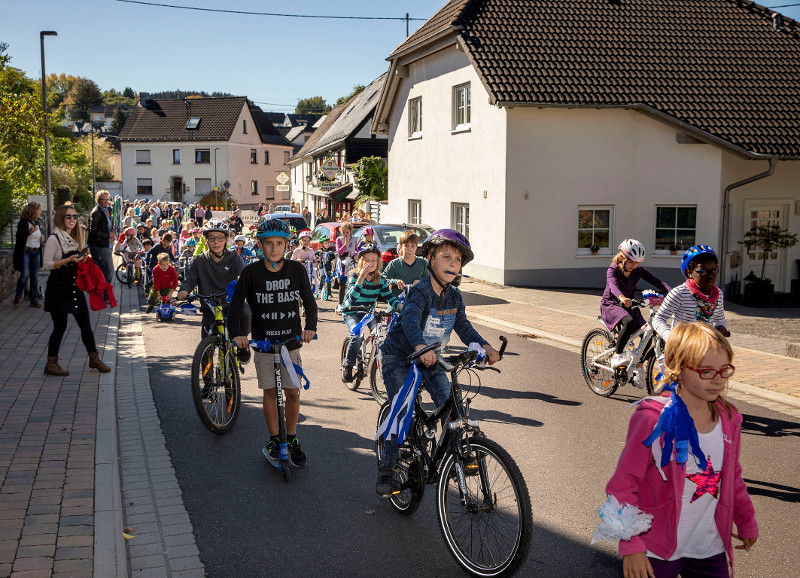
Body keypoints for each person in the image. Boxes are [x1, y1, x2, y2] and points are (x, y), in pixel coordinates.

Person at [594, 321, 758, 578]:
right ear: (678, 369)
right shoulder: (652, 419)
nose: (718, 380)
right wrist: (631, 545)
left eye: (724, 370)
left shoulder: (729, 418)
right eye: (706, 371)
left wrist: (746, 520)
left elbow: (732, 477)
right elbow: (623, 486)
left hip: (708, 546)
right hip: (656, 548)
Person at [375, 229, 499, 497]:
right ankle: (387, 468)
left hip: (430, 360)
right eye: (446, 257)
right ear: (430, 259)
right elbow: (409, 319)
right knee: (401, 409)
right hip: (400, 357)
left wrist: (484, 346)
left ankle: (454, 458)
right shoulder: (420, 291)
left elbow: (463, 326)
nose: (453, 264)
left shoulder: (454, 296)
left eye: (457, 260)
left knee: (450, 402)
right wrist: (420, 347)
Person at [228, 218, 317, 468]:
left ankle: (291, 437)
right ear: (260, 245)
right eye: (269, 243)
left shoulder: (296, 270)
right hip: (264, 343)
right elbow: (236, 305)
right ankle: (275, 440)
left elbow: (309, 301)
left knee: (292, 392)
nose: (274, 248)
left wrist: (310, 327)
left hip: (291, 343)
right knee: (269, 390)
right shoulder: (251, 272)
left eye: (279, 243)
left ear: (287, 245)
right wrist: (237, 334)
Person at [41, 205, 111, 376]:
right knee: (60, 327)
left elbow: (76, 262)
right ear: (60, 218)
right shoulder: (54, 239)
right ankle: (51, 363)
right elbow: (46, 265)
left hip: (74, 287)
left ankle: (94, 359)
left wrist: (82, 259)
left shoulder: (73, 238)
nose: (72, 219)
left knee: (85, 324)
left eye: (74, 216)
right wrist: (67, 260)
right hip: (58, 288)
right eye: (68, 217)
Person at [600, 239, 671, 388]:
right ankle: (617, 355)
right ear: (622, 258)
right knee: (629, 322)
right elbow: (612, 286)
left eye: (637, 263)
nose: (634, 265)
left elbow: (657, 282)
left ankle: (638, 365)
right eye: (631, 262)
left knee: (648, 333)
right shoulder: (613, 270)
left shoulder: (637, 271)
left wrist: (672, 293)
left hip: (630, 305)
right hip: (611, 304)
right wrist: (622, 297)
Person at [177, 220, 250, 339]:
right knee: (205, 350)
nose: (216, 242)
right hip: (209, 308)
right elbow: (190, 280)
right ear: (205, 241)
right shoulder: (199, 261)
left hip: (230, 305)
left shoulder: (234, 258)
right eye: (211, 238)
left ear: (226, 240)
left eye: (220, 238)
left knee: (246, 310)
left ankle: (242, 342)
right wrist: (184, 290)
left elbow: (245, 275)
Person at [341, 244, 402, 383]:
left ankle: (380, 364)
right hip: (351, 311)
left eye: (374, 260)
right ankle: (348, 364)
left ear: (378, 262)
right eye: (367, 260)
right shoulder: (354, 275)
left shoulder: (380, 279)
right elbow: (352, 299)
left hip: (368, 313)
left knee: (380, 336)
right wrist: (361, 278)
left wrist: (400, 306)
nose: (370, 263)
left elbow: (389, 297)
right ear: (361, 262)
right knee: (357, 336)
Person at [653, 245, 729, 344]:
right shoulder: (679, 293)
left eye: (713, 271)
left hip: (705, 347)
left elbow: (720, 319)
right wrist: (671, 338)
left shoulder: (718, 294)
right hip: (681, 348)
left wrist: (721, 327)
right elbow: (659, 319)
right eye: (703, 272)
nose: (710, 276)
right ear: (689, 273)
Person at [381, 230, 428, 309]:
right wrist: (395, 281)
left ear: (416, 247)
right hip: (396, 306)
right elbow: (383, 280)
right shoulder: (394, 264)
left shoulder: (423, 264)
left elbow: (430, 281)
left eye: (412, 246)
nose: (409, 249)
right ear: (400, 246)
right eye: (406, 246)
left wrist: (421, 282)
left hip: (416, 305)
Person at [13, 202, 45, 308]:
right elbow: (20, 237)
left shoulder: (37, 222)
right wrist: (29, 232)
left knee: (35, 276)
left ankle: (33, 299)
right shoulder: (23, 222)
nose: (40, 211)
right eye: (39, 209)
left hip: (36, 252)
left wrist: (42, 237)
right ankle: (18, 296)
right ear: (33, 211)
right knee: (25, 274)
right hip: (25, 251)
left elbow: (38, 235)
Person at [87, 190, 115, 286]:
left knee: (103, 271)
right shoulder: (96, 212)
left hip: (107, 244)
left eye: (108, 199)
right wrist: (108, 235)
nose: (107, 202)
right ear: (98, 200)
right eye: (104, 200)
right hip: (100, 246)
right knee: (110, 270)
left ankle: (102, 293)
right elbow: (93, 231)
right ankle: (105, 294)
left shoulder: (108, 210)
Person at [335, 222, 358, 308]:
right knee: (343, 284)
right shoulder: (339, 239)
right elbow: (339, 252)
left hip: (351, 263)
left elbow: (356, 249)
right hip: (343, 263)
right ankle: (341, 304)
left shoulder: (354, 239)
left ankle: (350, 302)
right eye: (344, 232)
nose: (345, 234)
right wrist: (346, 243)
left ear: (350, 232)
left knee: (352, 283)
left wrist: (356, 254)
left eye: (347, 232)